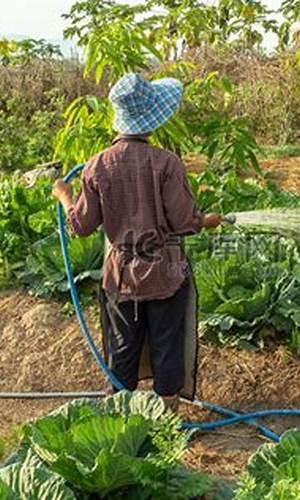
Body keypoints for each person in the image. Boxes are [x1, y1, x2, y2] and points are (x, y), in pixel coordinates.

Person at [52, 73, 223, 411]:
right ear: (152, 119)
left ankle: (122, 416)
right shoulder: (166, 163)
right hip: (166, 273)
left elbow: (81, 226)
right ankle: (168, 420)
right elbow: (185, 223)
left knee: (122, 346)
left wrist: (64, 196)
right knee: (167, 343)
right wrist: (207, 221)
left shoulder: (96, 165)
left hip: (121, 276)